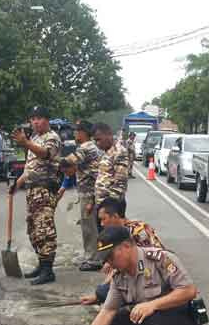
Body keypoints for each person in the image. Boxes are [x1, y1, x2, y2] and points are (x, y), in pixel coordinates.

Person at [69, 226, 200, 325]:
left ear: (126, 246)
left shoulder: (160, 259)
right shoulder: (119, 275)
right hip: (156, 320)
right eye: (106, 258)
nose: (109, 262)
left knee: (146, 315)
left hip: (184, 319)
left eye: (110, 256)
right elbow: (107, 311)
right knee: (113, 321)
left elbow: (189, 291)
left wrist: (153, 305)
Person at [11, 105, 62, 285]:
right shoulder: (34, 138)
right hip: (32, 190)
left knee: (44, 229)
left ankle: (48, 270)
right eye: (32, 119)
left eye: (39, 118)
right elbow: (30, 167)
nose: (35, 122)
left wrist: (25, 143)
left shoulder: (52, 138)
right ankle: (42, 264)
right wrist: (17, 183)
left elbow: (46, 154)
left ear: (47, 120)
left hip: (45, 189)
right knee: (33, 230)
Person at [80, 197, 165, 305]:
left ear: (115, 216)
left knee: (113, 301)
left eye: (103, 219)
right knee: (105, 292)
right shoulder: (119, 234)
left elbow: (136, 267)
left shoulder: (138, 232)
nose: (101, 224)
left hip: (154, 279)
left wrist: (100, 294)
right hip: (140, 276)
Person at [60, 120, 102, 271]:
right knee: (90, 225)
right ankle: (93, 256)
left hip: (90, 193)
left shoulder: (86, 147)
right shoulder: (89, 147)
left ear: (83, 132)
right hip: (90, 192)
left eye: (77, 131)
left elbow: (67, 162)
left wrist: (50, 157)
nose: (74, 133)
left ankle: (93, 260)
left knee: (89, 227)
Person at [93, 122, 130, 229]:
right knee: (102, 240)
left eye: (98, 139)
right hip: (102, 205)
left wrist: (109, 208)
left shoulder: (119, 152)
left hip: (112, 206)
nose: (97, 143)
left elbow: (120, 182)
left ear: (108, 135)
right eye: (95, 140)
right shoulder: (105, 152)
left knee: (112, 240)